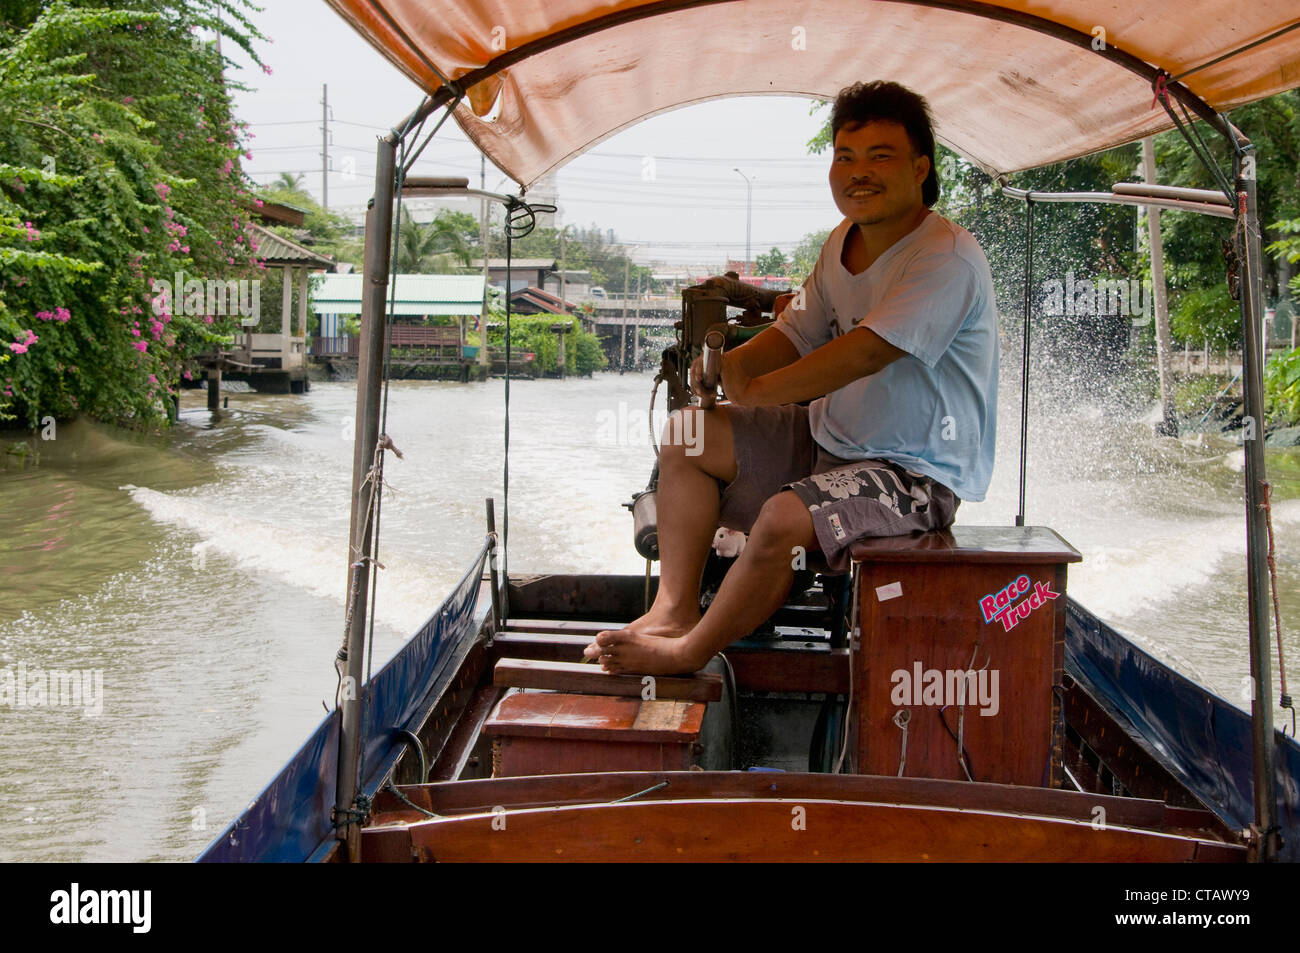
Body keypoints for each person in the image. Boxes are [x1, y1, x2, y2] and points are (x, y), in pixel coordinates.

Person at [585, 80, 999, 675]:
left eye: (881, 156)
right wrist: (731, 369)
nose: (860, 172)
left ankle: (689, 651)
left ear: (920, 168)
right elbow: (798, 332)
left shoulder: (946, 257)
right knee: (686, 436)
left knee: (783, 517)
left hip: (912, 475)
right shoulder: (841, 244)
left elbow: (864, 353)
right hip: (827, 439)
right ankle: (673, 610)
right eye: (845, 157)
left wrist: (755, 390)